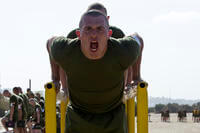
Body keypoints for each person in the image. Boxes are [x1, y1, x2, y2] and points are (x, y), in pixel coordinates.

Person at [47, 10, 142, 133]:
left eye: (99, 29)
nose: (93, 34)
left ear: (109, 34)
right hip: (78, 115)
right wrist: (55, 78)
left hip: (113, 116)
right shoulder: (67, 50)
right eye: (88, 29)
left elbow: (138, 39)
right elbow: (50, 42)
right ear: (78, 34)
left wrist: (137, 76)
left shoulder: (122, 50)